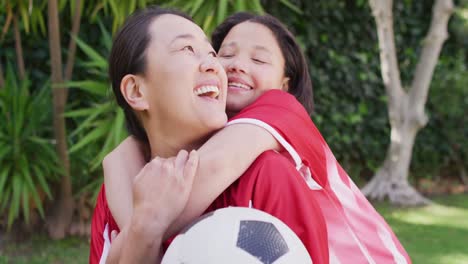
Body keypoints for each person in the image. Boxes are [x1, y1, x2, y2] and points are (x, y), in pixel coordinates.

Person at [103, 11, 411, 263]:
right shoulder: (128, 169)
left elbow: (210, 167)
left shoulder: (280, 115)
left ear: (284, 85)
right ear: (135, 90)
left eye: (259, 60)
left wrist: (140, 229)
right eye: (224, 53)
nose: (234, 65)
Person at [89, 6, 329, 264]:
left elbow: (219, 162)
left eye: (211, 53)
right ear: (136, 91)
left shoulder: (269, 169)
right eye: (187, 49)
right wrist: (141, 227)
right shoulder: (118, 188)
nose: (220, 66)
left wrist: (143, 227)